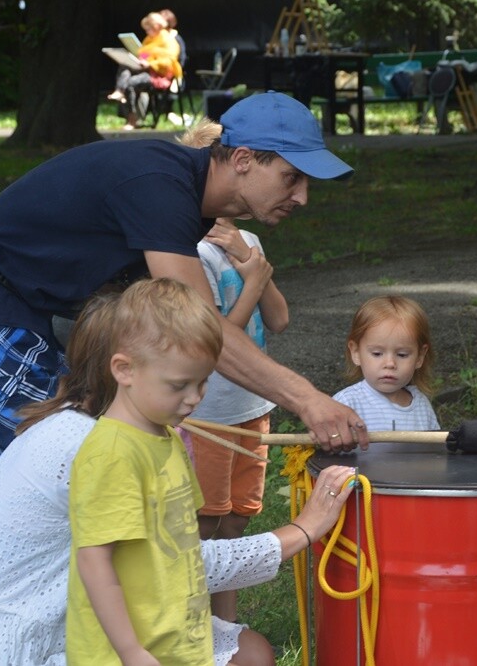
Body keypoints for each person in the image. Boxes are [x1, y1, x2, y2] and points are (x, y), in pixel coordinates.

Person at [0, 90, 367, 498]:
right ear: (243, 159)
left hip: (46, 317)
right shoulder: (161, 185)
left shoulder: (189, 198)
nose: (302, 196)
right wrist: (307, 400)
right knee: (25, 483)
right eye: (292, 178)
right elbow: (201, 330)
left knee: (80, 478)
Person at [0, 280, 358, 666]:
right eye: (178, 384)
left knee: (251, 652)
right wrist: (302, 531)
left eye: (201, 382)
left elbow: (176, 550)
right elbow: (177, 563)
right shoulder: (93, 447)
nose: (194, 398)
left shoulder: (138, 430)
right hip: (24, 645)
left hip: (97, 616)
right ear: (123, 370)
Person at [173, 117, 288, 623]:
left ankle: (226, 623)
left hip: (252, 407)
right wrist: (252, 283)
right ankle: (190, 620)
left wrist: (257, 267)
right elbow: (215, 339)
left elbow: (279, 320)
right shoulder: (192, 250)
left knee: (239, 519)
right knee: (206, 521)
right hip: (211, 413)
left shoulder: (250, 242)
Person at [332, 295, 440, 432]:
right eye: (377, 353)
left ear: (419, 357)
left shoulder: (421, 406)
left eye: (402, 355)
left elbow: (435, 445)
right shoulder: (345, 403)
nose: (390, 364)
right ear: (356, 352)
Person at [106, 11, 183, 130]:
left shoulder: (169, 41)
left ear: (156, 26)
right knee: (125, 66)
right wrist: (140, 61)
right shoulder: (149, 39)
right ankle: (120, 90)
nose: (146, 32)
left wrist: (150, 64)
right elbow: (144, 54)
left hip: (158, 75)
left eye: (148, 29)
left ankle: (132, 118)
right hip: (145, 70)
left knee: (131, 83)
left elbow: (169, 62)